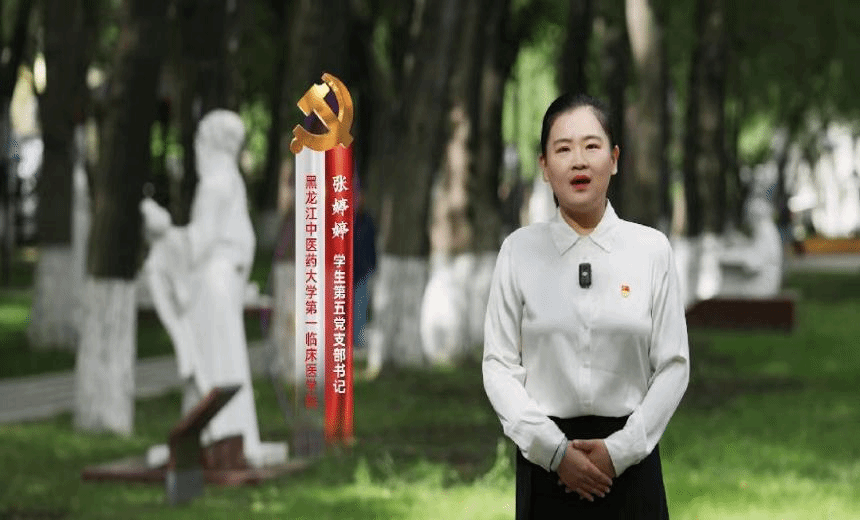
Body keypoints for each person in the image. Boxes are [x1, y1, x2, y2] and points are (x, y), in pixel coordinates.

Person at [482, 93, 689, 518]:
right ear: (544, 166)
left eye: (592, 146)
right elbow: (498, 366)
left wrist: (620, 451)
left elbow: (673, 365)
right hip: (547, 466)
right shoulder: (519, 252)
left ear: (614, 159)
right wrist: (554, 452)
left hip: (631, 463)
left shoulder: (650, 250)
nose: (578, 161)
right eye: (563, 149)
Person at [353, 178, 377, 350]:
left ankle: (357, 340)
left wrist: (373, 266)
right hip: (343, 272)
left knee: (360, 307)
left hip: (362, 271)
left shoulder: (368, 220)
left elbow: (372, 245)